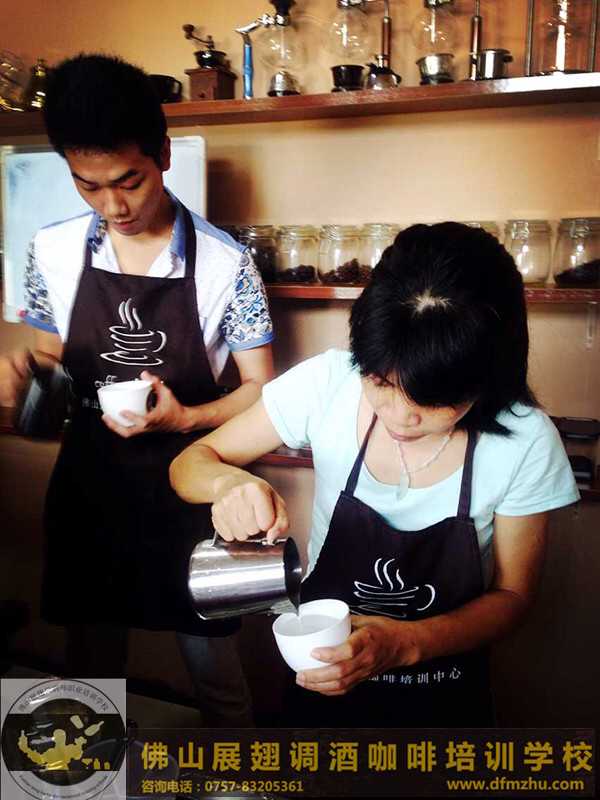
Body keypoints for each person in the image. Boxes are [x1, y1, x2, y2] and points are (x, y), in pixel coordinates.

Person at [170, 222, 579, 727]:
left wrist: (406, 643)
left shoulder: (525, 438)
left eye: (433, 400)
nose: (400, 416)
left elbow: (514, 597)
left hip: (445, 693)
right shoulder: (327, 383)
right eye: (380, 382)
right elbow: (191, 461)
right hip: (321, 678)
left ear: (489, 376)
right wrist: (229, 483)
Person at [0, 54, 275, 726]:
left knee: (212, 661)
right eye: (88, 186)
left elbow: (261, 389)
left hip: (191, 481)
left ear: (163, 156)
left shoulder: (227, 264)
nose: (113, 206)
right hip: (90, 481)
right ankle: (80, 776)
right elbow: (49, 352)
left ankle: (238, 775)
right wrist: (28, 371)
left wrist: (186, 418)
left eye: (129, 181)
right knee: (89, 663)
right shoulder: (50, 250)